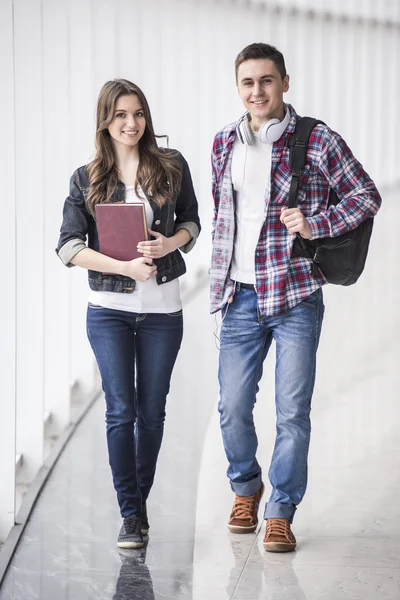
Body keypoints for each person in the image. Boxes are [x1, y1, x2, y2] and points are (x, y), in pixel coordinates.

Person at [210, 43, 381, 552]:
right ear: (237, 88)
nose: (257, 91)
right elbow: (225, 218)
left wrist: (315, 223)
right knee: (232, 407)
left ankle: (281, 508)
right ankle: (246, 487)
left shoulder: (317, 140)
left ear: (285, 82)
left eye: (266, 80)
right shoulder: (223, 143)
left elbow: (365, 195)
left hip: (296, 296)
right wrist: (217, 286)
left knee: (291, 411)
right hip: (240, 296)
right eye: (247, 82)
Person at [57, 79, 200, 549]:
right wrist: (122, 266)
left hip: (163, 310)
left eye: (138, 113)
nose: (131, 123)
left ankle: (138, 503)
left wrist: (169, 243)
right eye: (120, 114)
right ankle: (131, 515)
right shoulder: (86, 178)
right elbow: (68, 247)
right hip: (109, 311)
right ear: (105, 120)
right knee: (120, 412)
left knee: (152, 413)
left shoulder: (171, 166)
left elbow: (192, 222)